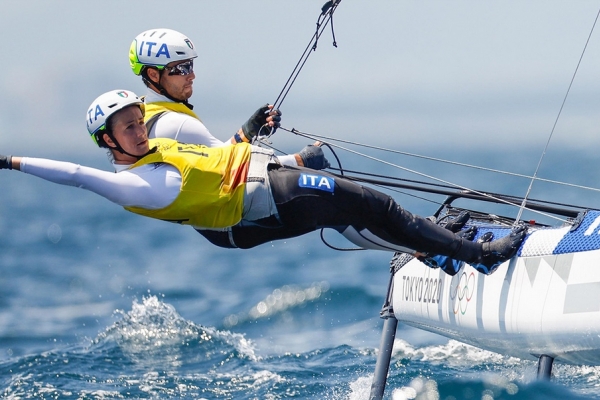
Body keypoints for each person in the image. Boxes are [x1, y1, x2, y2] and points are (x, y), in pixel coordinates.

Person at [0, 89, 527, 273]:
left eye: (139, 122)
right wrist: (9, 161)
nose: (140, 131)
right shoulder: (134, 185)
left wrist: (250, 131)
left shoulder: (158, 146)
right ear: (108, 142)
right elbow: (72, 175)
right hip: (266, 204)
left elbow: (219, 155)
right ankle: (479, 255)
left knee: (365, 207)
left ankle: (441, 248)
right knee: (376, 207)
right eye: (127, 129)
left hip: (265, 181)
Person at [128, 28, 330, 248]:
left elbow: (219, 157)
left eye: (191, 65)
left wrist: (249, 131)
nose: (192, 75)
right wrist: (301, 161)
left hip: (222, 223)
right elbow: (228, 170)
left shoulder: (149, 111)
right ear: (153, 75)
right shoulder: (173, 123)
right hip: (233, 222)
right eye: (182, 68)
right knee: (342, 208)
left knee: (337, 210)